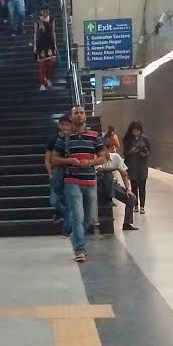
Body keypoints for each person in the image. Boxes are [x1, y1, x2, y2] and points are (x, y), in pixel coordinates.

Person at [51, 106, 107, 263]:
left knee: (88, 219)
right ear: (71, 117)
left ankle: (71, 233)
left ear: (85, 117)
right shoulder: (64, 138)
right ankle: (80, 249)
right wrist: (69, 160)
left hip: (90, 181)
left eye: (82, 112)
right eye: (76, 113)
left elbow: (103, 157)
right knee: (78, 216)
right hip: (72, 180)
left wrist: (90, 162)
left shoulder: (94, 136)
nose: (80, 115)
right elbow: (54, 159)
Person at [97, 151, 138, 231]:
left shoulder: (116, 157)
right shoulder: (97, 158)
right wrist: (116, 168)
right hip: (100, 185)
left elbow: (124, 173)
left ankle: (127, 223)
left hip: (113, 184)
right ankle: (109, 197)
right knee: (108, 174)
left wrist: (127, 189)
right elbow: (100, 170)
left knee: (131, 198)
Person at [44, 115, 72, 228]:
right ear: (59, 125)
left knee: (67, 197)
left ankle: (64, 218)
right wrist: (50, 172)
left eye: (67, 124)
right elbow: (47, 159)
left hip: (70, 171)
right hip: (57, 171)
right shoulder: (53, 139)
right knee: (54, 200)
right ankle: (62, 213)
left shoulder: (74, 138)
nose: (65, 127)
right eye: (63, 124)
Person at [123, 121, 152, 215]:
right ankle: (135, 205)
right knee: (134, 187)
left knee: (142, 187)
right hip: (132, 166)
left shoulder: (145, 139)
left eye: (137, 131)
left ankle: (142, 206)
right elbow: (125, 154)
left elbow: (149, 151)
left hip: (142, 166)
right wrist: (131, 151)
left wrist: (144, 153)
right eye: (134, 131)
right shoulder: (128, 140)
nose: (135, 133)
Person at [33, 7, 57, 91]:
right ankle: (42, 84)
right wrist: (35, 46)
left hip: (50, 42)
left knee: (53, 61)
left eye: (47, 11)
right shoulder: (37, 20)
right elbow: (35, 33)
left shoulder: (52, 19)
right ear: (41, 12)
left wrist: (55, 43)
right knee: (42, 65)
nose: (45, 13)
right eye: (44, 11)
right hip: (41, 43)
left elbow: (53, 31)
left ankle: (47, 77)